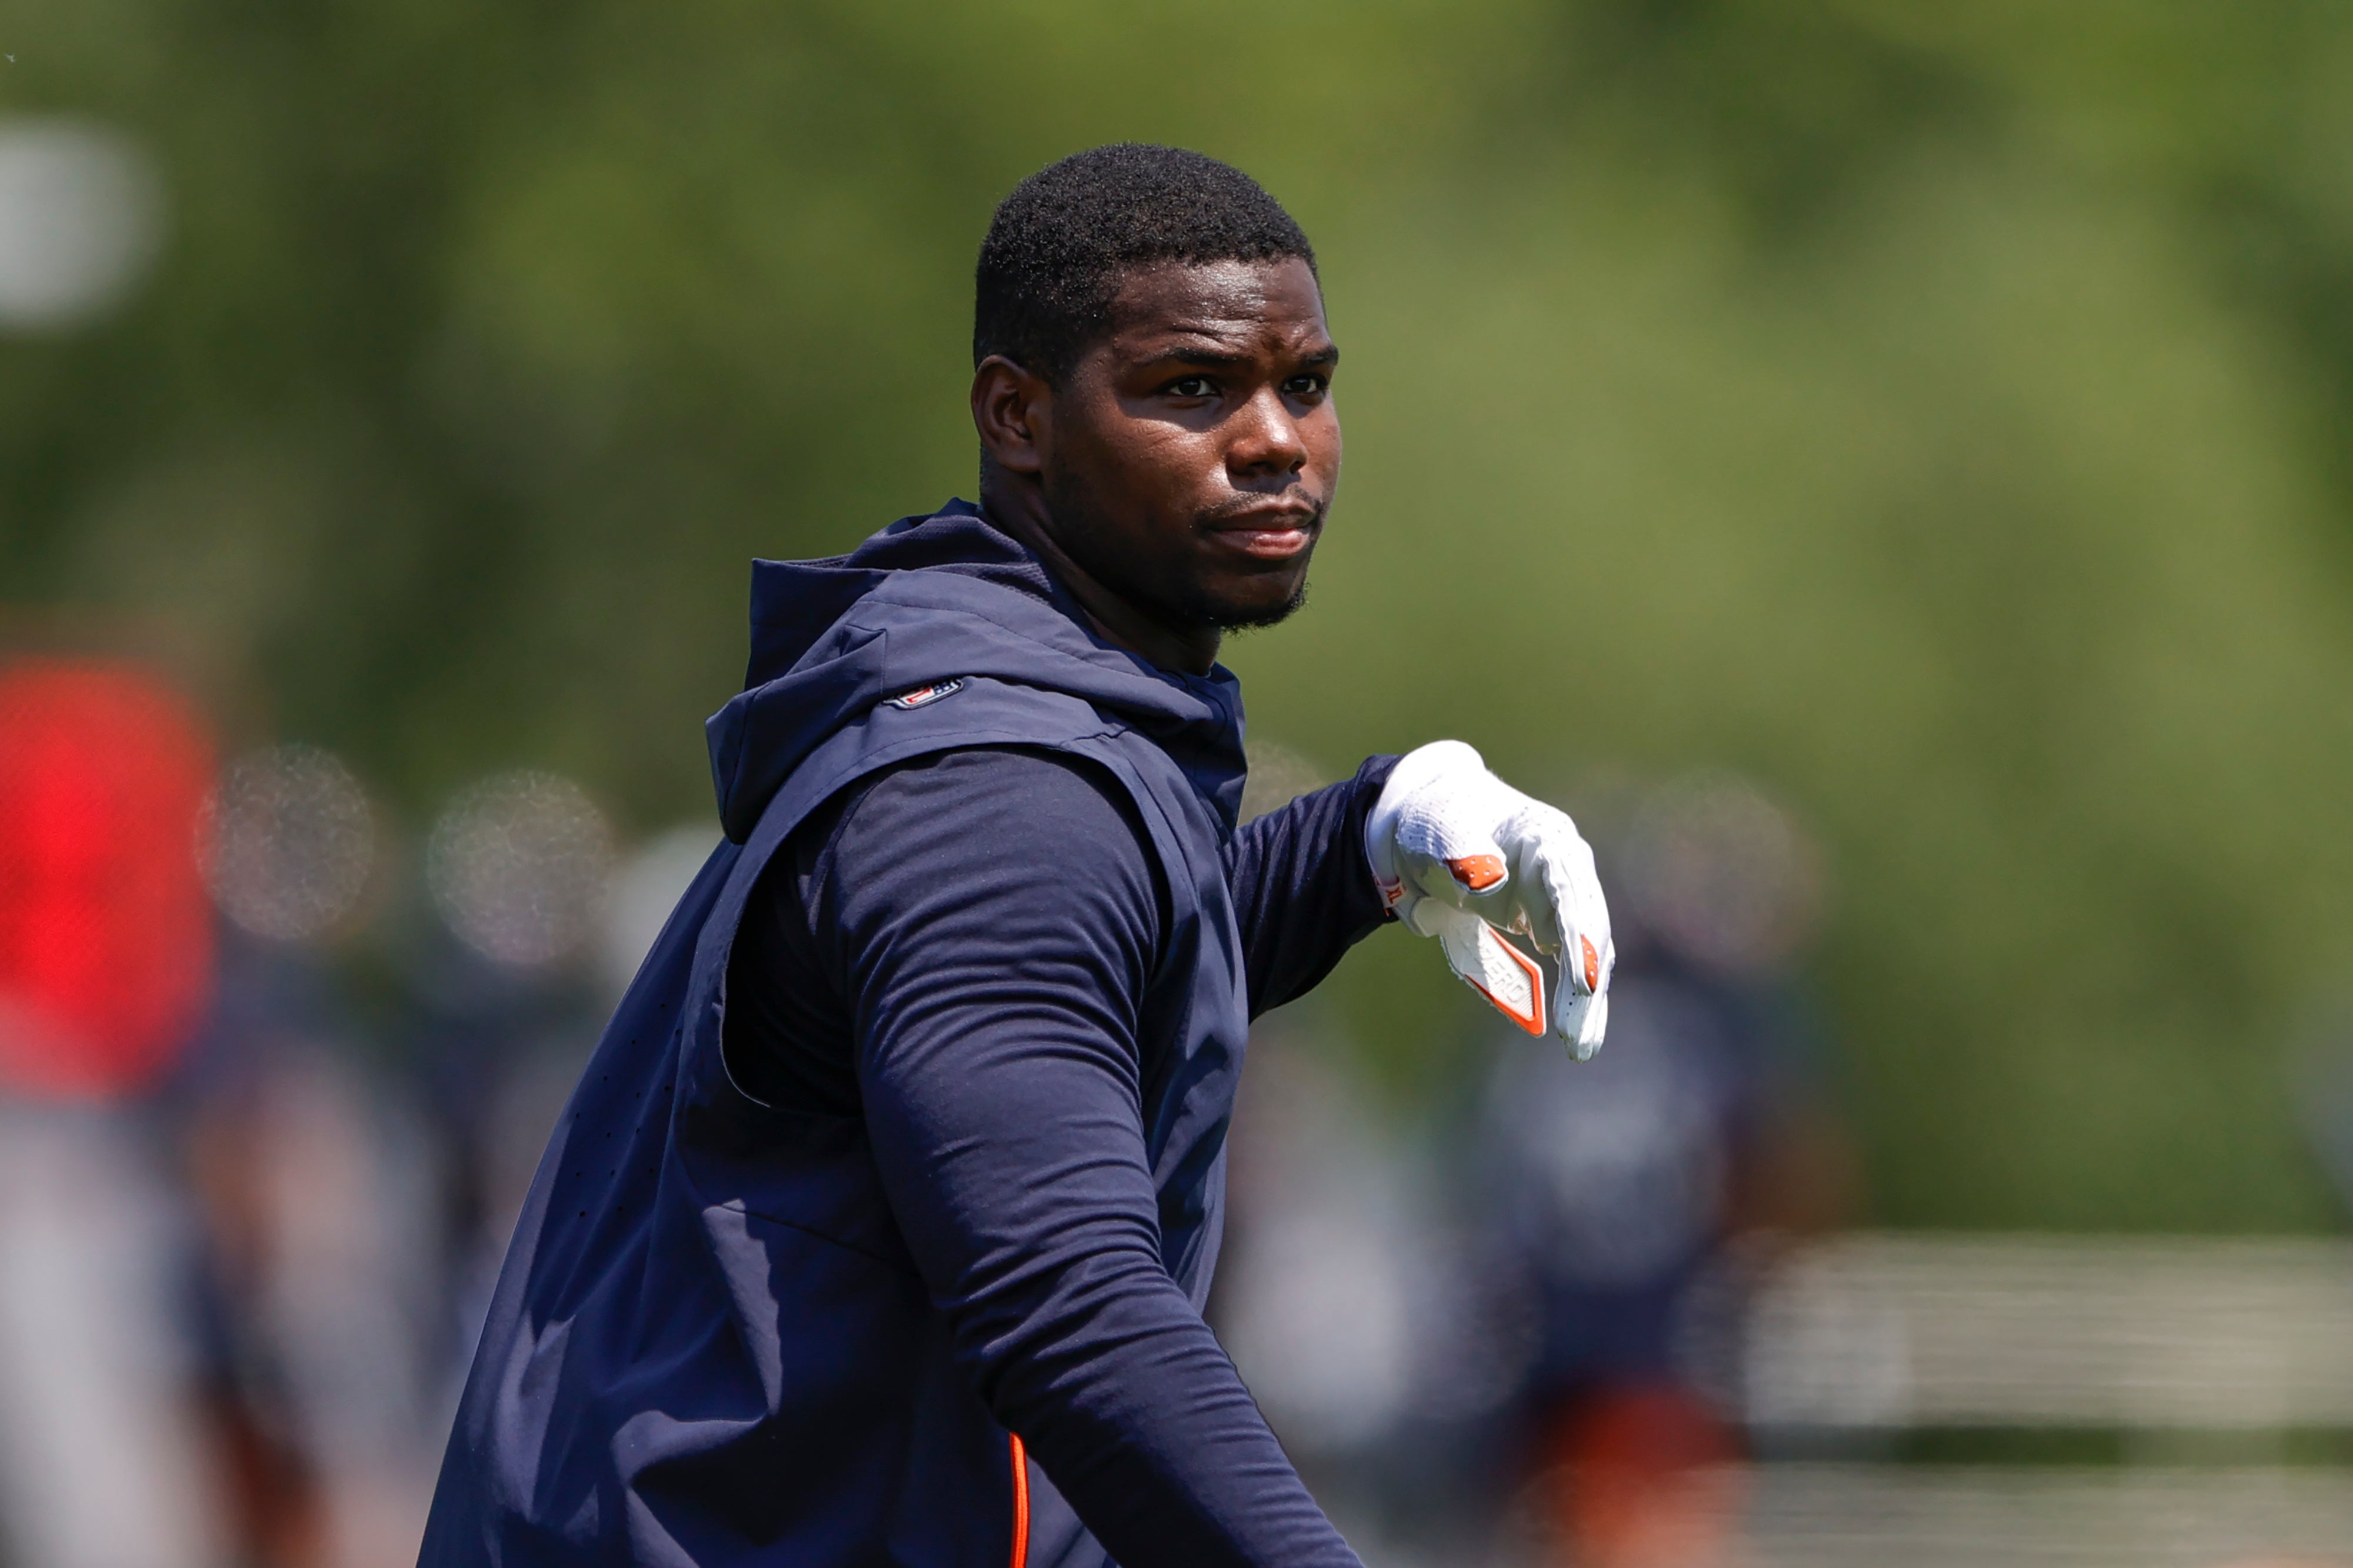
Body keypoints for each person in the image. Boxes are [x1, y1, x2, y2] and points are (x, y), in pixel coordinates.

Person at [418, 144, 1615, 1568]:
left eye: (1302, 382)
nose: (1275, 437)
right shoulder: (997, 798)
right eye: (1190, 388)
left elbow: (1056, 993)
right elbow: (1065, 1297)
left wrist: (1366, 833)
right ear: (1018, 415)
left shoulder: (995, 703)